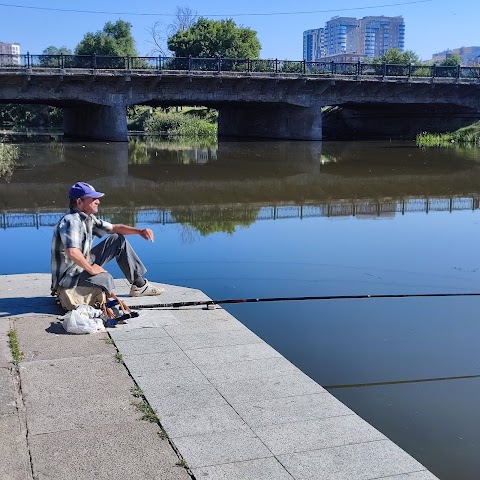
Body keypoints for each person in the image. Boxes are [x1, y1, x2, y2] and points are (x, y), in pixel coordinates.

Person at [51, 181, 165, 298]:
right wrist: (91, 270)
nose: (98, 201)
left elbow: (115, 228)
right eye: (93, 198)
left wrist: (139, 231)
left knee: (116, 240)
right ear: (79, 202)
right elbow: (72, 252)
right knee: (106, 279)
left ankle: (140, 286)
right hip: (70, 277)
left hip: (80, 266)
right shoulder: (71, 221)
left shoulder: (87, 219)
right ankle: (66, 293)